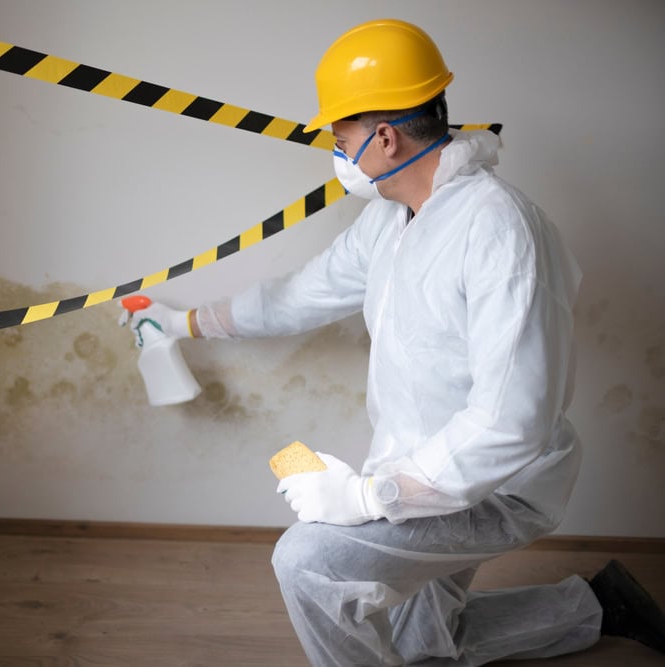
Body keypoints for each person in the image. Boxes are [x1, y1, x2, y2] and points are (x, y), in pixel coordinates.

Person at [125, 18, 665, 666]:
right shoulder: (392, 222)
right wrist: (181, 323)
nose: (335, 150)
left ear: (383, 138)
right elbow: (297, 295)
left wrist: (366, 498)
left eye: (340, 136)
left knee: (307, 562)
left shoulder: (498, 230)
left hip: (496, 484)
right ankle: (599, 605)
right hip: (417, 470)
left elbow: (509, 425)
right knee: (424, 644)